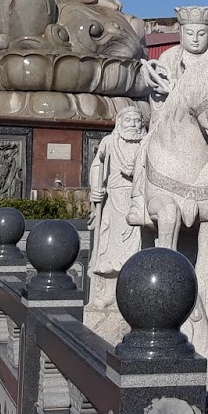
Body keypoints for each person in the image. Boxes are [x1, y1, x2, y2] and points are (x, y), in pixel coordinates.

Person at [87, 105, 146, 317]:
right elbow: (98, 166)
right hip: (114, 201)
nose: (133, 124)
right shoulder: (109, 142)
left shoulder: (147, 143)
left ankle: (137, 292)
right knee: (110, 250)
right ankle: (107, 292)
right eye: (128, 120)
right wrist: (96, 189)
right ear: (119, 123)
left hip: (139, 200)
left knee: (138, 248)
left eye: (137, 120)